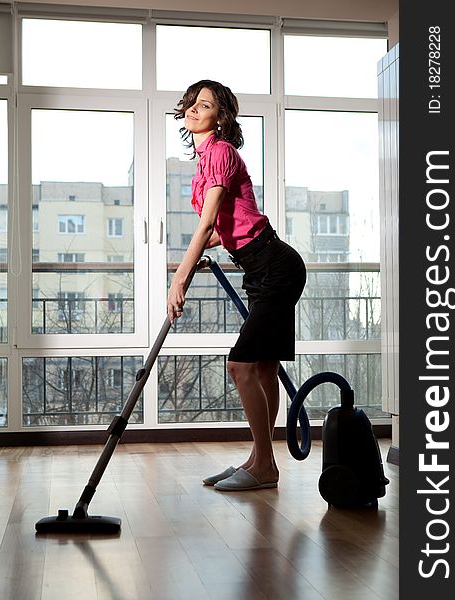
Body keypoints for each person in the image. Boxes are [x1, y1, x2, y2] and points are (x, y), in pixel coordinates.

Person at [168, 80, 306, 491]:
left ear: (220, 117)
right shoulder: (205, 160)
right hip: (256, 266)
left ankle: (264, 465)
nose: (194, 109)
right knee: (263, 367)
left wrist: (180, 276)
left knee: (239, 364)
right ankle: (259, 461)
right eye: (192, 102)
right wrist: (199, 256)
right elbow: (223, 229)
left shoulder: (222, 152)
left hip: (276, 264)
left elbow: (209, 222)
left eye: (204, 104)